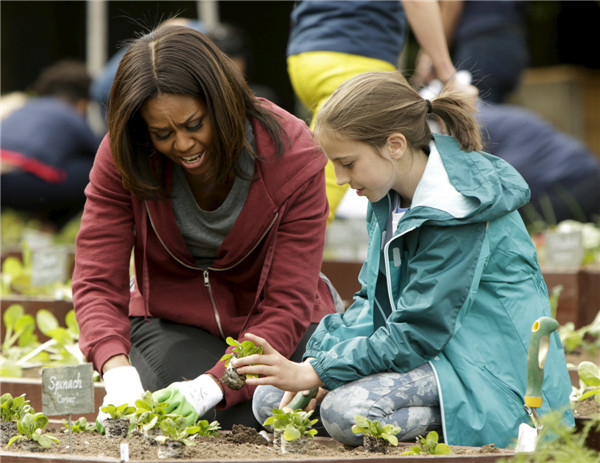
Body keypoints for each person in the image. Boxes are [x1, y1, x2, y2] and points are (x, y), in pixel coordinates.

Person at [232, 71, 575, 448]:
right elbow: (370, 300)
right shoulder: (387, 192)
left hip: (487, 367)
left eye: (347, 163)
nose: (341, 179)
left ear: (395, 145)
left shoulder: (458, 208)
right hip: (427, 353)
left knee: (346, 413)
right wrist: (318, 361)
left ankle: (483, 422)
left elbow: (418, 330)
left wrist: (319, 372)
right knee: (271, 401)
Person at [71, 24, 338, 430]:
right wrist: (116, 371)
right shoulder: (124, 154)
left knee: (287, 409)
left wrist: (215, 384)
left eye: (194, 124)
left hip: (280, 326)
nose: (182, 145)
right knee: (214, 419)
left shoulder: (292, 153)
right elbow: (96, 276)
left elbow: (287, 301)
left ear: (223, 103)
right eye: (162, 133)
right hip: (175, 323)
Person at [286, 0, 478, 225]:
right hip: (357, 54)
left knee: (323, 167)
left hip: (304, 56)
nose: (342, 179)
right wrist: (448, 76)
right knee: (320, 197)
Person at [1, 59, 101, 230]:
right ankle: (50, 228)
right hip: (23, 181)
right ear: (83, 102)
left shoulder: (26, 107)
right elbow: (103, 154)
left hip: (4, 179)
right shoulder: (69, 113)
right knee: (94, 171)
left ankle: (43, 226)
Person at [413, 1, 530, 104]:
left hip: (482, 47)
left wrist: (429, 57)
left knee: (474, 115)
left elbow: (452, 4)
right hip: (513, 46)